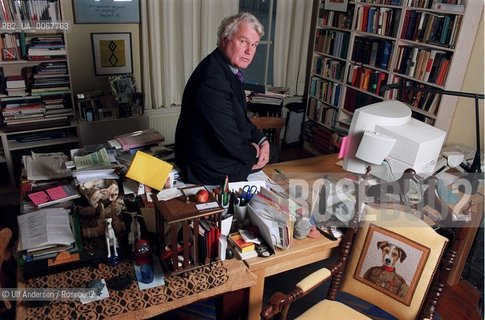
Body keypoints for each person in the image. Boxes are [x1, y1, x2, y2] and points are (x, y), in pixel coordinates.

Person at [175, 12, 272, 184]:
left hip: (216, 152)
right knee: (260, 160)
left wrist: (261, 140)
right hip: (206, 165)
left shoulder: (226, 69)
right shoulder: (212, 79)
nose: (249, 51)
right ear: (224, 40)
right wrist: (253, 151)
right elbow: (228, 139)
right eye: (243, 41)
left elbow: (240, 119)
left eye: (255, 45)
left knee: (270, 151)